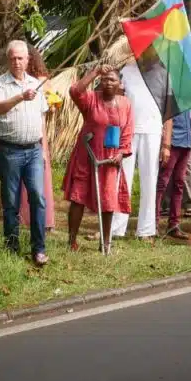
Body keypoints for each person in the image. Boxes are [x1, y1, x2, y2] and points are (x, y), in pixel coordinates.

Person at [0, 40, 50, 266]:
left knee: (38, 198)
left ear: (28, 60)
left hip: (33, 150)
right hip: (9, 150)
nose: (17, 62)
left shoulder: (37, 84)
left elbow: (42, 117)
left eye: (21, 58)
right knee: (11, 201)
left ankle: (39, 249)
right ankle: (12, 246)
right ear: (8, 60)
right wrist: (20, 97)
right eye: (13, 58)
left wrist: (43, 149)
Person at [64, 62, 133, 251]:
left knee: (108, 199)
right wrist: (94, 72)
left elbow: (127, 132)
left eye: (112, 79)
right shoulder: (91, 99)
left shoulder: (126, 104)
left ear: (120, 83)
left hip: (110, 158)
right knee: (78, 197)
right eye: (104, 79)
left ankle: (105, 242)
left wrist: (121, 153)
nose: (108, 82)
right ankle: (71, 241)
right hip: (87, 153)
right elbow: (74, 91)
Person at [112, 60, 162, 241]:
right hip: (128, 130)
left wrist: (167, 143)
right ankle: (117, 228)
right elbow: (116, 100)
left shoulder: (163, 72)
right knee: (122, 178)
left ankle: (146, 230)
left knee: (149, 180)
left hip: (153, 130)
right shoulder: (126, 70)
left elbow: (169, 110)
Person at [19, 44, 56, 233]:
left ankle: (42, 218)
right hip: (20, 127)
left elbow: (52, 105)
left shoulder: (41, 80)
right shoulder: (17, 80)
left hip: (37, 127)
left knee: (39, 172)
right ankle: (21, 215)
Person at [156, 106, 191, 239]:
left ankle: (174, 224)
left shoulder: (189, 95)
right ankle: (153, 224)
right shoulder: (170, 92)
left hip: (186, 142)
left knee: (179, 184)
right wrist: (165, 144)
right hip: (172, 141)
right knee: (162, 183)